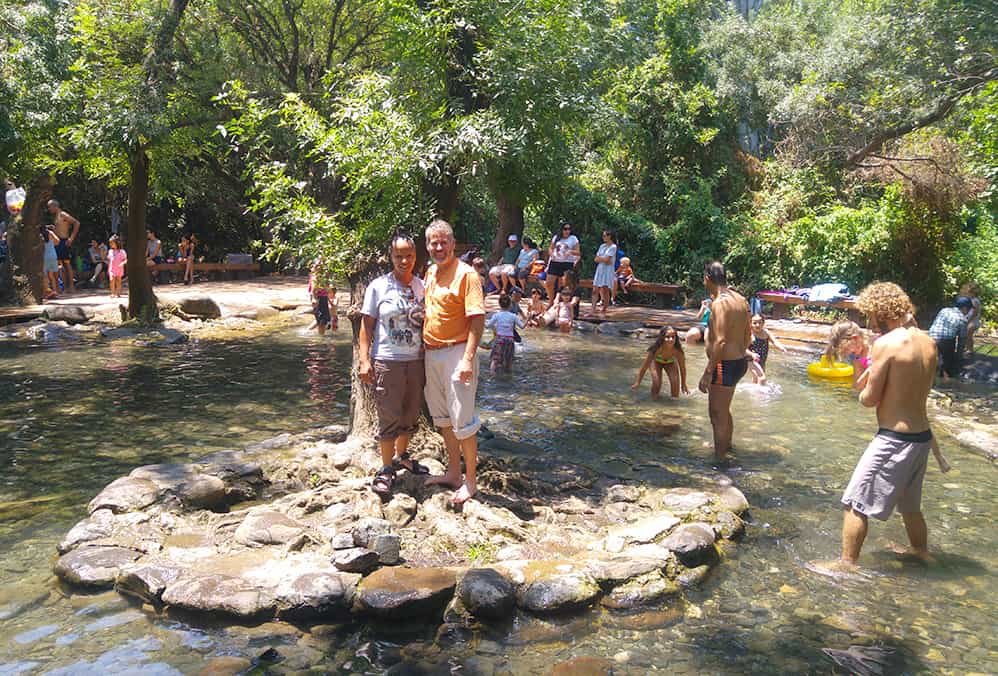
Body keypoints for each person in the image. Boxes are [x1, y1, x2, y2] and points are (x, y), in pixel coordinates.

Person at [825, 282, 941, 571]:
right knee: (910, 506)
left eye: (870, 316)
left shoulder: (885, 345)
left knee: (854, 501)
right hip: (921, 438)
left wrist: (861, 382)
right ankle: (921, 553)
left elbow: (869, 400)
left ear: (879, 311)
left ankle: (846, 564)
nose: (869, 323)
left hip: (894, 438)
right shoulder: (928, 341)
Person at [358, 234, 429, 496]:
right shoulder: (378, 286)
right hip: (387, 360)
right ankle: (386, 468)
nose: (404, 260)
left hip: (417, 361)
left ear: (415, 256)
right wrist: (365, 360)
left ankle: (402, 457)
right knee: (389, 415)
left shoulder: (422, 286)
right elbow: (367, 326)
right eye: (398, 255)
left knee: (410, 413)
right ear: (391, 256)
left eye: (408, 255)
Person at [422, 218, 485, 505]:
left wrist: (468, 359)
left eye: (443, 241)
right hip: (431, 353)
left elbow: (477, 319)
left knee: (464, 422)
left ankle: (471, 482)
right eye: (433, 242)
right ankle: (453, 473)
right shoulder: (430, 273)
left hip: (458, 353)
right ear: (428, 246)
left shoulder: (467, 274)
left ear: (452, 243)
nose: (438, 247)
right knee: (444, 419)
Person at [697, 261, 751, 465]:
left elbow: (720, 340)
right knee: (724, 409)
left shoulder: (720, 303)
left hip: (723, 364)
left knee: (716, 414)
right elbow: (748, 334)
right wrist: (741, 351)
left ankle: (719, 462)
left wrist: (708, 371)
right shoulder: (740, 299)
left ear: (707, 279)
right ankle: (726, 447)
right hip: (738, 362)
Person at [631, 326, 689, 399]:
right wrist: (638, 382)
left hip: (670, 362)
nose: (670, 339)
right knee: (657, 383)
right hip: (656, 362)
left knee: (675, 385)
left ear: (676, 338)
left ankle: (673, 406)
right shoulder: (656, 349)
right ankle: (654, 401)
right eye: (667, 337)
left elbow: (683, 368)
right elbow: (644, 367)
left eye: (673, 337)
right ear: (662, 338)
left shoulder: (678, 351)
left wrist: (683, 384)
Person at [927, 296, 973, 379]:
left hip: (930, 338)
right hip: (945, 342)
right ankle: (945, 374)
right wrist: (958, 357)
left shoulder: (944, 310)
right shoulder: (962, 320)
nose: (969, 312)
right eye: (969, 309)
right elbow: (961, 341)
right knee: (948, 362)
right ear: (965, 308)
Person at [485, 294, 525, 374]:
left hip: (500, 339)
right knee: (509, 362)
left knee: (495, 360)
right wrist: (529, 318)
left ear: (499, 304)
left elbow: (487, 325)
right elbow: (522, 326)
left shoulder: (496, 315)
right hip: (510, 340)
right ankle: (509, 377)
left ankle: (491, 375)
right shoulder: (513, 316)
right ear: (510, 305)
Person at [824, 320, 871, 387]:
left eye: (851, 352)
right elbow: (857, 383)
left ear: (856, 338)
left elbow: (874, 371)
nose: (851, 354)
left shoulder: (874, 349)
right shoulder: (856, 356)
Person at [47, 199, 80, 293]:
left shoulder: (63, 214)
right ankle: (63, 288)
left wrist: (71, 238)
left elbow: (76, 223)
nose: (49, 209)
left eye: (50, 207)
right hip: (58, 242)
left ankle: (71, 287)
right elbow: (61, 227)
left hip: (64, 241)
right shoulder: (57, 216)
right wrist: (54, 228)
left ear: (55, 206)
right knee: (60, 265)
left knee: (66, 264)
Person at [544, 222, 581, 304]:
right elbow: (550, 248)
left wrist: (570, 252)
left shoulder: (573, 239)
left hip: (567, 263)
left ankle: (563, 303)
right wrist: (552, 254)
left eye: (569, 229)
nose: (567, 231)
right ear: (561, 230)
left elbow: (578, 252)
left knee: (564, 284)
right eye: (565, 229)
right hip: (555, 262)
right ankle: (551, 301)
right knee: (548, 283)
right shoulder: (556, 237)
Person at [746, 314, 787, 385]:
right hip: (751, 360)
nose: (757, 325)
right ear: (751, 324)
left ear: (763, 323)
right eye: (754, 323)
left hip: (762, 359)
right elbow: (743, 349)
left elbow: (774, 341)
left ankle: (753, 392)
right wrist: (752, 354)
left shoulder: (766, 333)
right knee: (762, 378)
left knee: (756, 377)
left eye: (760, 322)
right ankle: (760, 395)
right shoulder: (750, 335)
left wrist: (781, 347)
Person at [591, 230, 618, 316]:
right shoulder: (602, 246)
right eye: (603, 236)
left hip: (608, 270)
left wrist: (602, 259)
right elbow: (596, 259)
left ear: (609, 236)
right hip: (600, 269)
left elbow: (607, 260)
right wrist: (604, 259)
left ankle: (604, 309)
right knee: (595, 289)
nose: (603, 237)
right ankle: (593, 310)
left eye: (604, 236)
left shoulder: (613, 247)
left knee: (605, 290)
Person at [308, 263, 334, 336]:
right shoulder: (315, 277)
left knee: (324, 319)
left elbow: (327, 288)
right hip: (318, 298)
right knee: (322, 319)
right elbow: (313, 289)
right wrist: (314, 298)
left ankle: (318, 333)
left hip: (323, 298)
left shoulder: (323, 276)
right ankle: (320, 336)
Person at [959, 283, 981, 354]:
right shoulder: (970, 300)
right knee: (966, 335)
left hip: (973, 321)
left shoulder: (975, 300)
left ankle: (970, 349)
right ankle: (967, 347)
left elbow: (975, 312)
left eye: (968, 293)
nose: (967, 294)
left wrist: (969, 320)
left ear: (973, 293)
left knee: (969, 335)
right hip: (969, 320)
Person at [41, 225, 61, 299]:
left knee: (45, 276)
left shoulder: (39, 235)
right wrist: (52, 244)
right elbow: (58, 241)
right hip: (53, 255)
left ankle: (45, 293)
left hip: (44, 257)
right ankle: (55, 292)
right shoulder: (50, 232)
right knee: (51, 276)